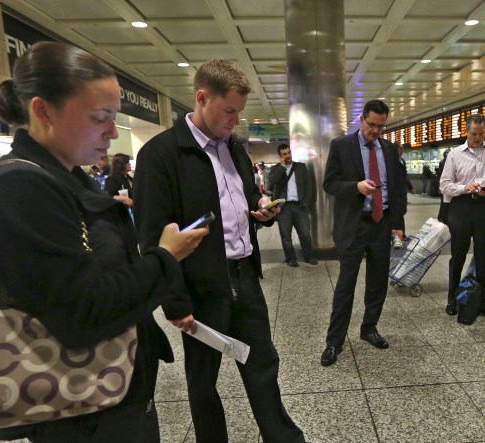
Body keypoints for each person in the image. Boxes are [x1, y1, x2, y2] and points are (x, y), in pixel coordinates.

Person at [0, 41, 207, 442]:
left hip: (109, 392)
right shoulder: (21, 187)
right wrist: (166, 257)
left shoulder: (66, 178)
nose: (113, 132)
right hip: (77, 408)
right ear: (43, 110)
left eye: (114, 116)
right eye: (100, 117)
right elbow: (83, 311)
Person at [133, 59, 306, 443]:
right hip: (200, 285)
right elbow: (152, 238)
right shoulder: (161, 155)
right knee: (203, 379)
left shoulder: (234, 149)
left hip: (244, 276)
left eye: (239, 113)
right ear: (201, 98)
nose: (234, 120)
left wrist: (259, 209)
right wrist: (175, 302)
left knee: (263, 363)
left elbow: (243, 198)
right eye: (229, 111)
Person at [319, 99, 406, 366]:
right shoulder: (341, 146)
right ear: (361, 119)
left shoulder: (390, 149)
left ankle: (369, 328)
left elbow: (398, 188)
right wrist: (355, 187)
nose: (376, 131)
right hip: (354, 225)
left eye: (381, 126)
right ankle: (334, 341)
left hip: (381, 225)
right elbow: (330, 184)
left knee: (378, 282)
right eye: (372, 125)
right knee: (346, 284)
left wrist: (398, 224)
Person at [439, 113, 485, 321]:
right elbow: (444, 185)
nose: (477, 138)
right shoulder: (454, 154)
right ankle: (452, 298)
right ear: (466, 131)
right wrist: (464, 187)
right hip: (461, 206)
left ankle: (483, 302)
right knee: (458, 255)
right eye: (473, 133)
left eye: (481, 133)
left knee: (482, 257)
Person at [266, 143, 318, 267]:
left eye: (289, 153)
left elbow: (308, 185)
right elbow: (271, 183)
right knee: (286, 237)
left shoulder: (300, 167)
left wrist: (305, 201)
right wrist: (282, 166)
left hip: (300, 206)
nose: (288, 156)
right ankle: (291, 258)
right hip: (284, 208)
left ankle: (308, 256)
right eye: (284, 154)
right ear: (280, 156)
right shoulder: (276, 169)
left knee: (305, 235)